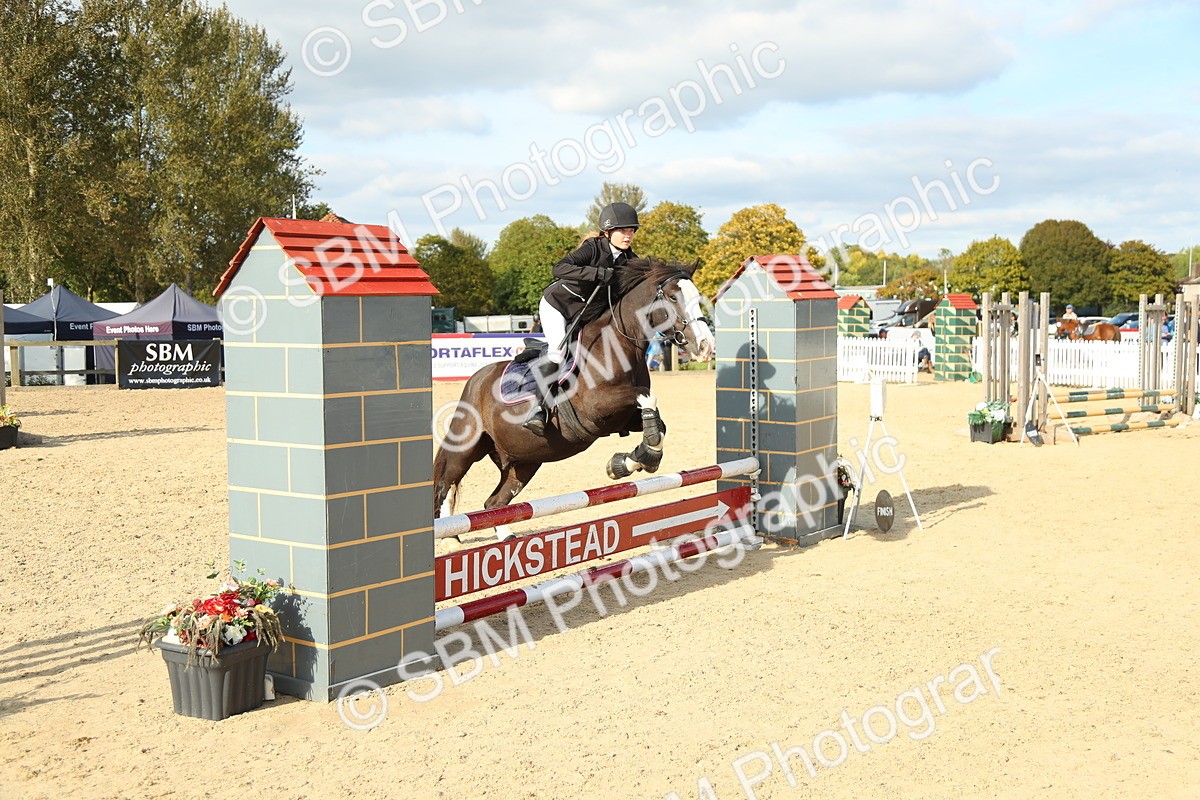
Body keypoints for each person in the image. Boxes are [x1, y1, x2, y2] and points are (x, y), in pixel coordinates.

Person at [524, 201, 640, 433]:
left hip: (586, 313)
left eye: (632, 231)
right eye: (623, 231)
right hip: (558, 305)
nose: (628, 236)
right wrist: (597, 273)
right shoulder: (593, 248)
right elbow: (559, 268)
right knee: (558, 353)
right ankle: (537, 408)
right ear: (607, 232)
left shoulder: (629, 259)